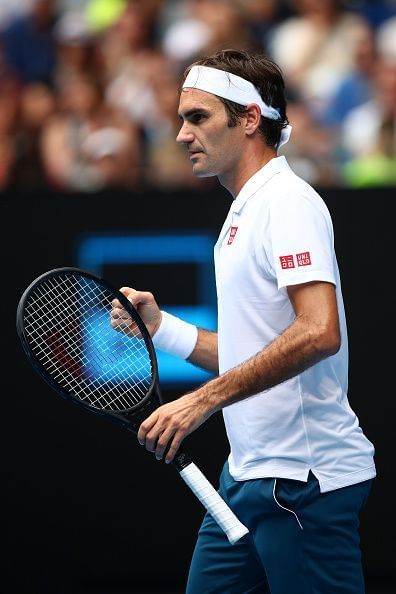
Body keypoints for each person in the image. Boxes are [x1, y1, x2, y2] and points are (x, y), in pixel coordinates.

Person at [110, 48, 376, 594]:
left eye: (198, 117)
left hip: (300, 485)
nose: (182, 134)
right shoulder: (243, 211)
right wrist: (163, 328)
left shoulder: (286, 202)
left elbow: (318, 331)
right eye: (182, 118)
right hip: (246, 479)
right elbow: (252, 350)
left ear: (250, 119)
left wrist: (204, 399)